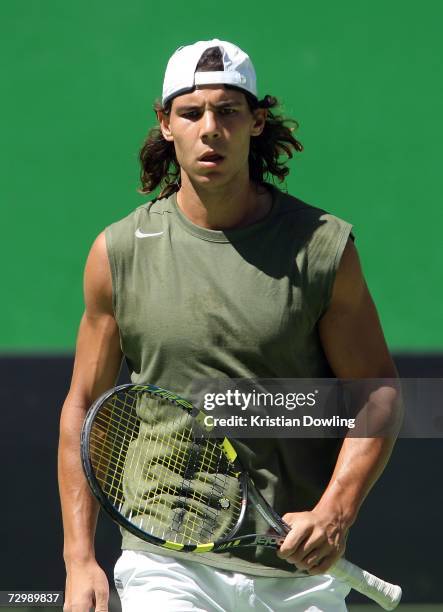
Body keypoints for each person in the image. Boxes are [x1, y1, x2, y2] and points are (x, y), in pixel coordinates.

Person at [58, 39, 400, 612]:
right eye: (191, 113)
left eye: (228, 111)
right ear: (166, 125)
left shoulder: (322, 247)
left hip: (298, 569)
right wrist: (79, 560)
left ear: (255, 122)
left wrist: (335, 511)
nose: (210, 128)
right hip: (166, 562)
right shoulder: (117, 252)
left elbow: (378, 393)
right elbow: (82, 409)